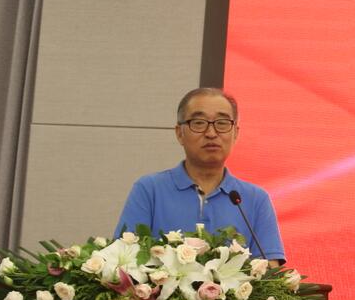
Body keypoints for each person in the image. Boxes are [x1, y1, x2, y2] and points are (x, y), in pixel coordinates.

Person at [114, 87, 286, 263]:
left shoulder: (255, 199)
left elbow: (270, 270)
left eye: (222, 123)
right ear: (179, 133)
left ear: (235, 133)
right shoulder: (149, 190)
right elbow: (123, 260)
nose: (211, 133)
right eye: (199, 123)